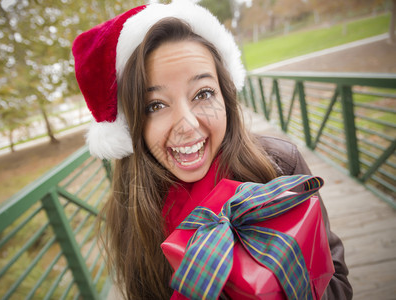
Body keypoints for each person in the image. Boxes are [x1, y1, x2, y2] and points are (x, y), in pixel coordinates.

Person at [72, 1, 352, 299]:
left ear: (225, 94)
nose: (188, 125)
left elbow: (337, 279)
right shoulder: (135, 212)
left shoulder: (278, 165)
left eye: (203, 93)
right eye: (155, 105)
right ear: (131, 126)